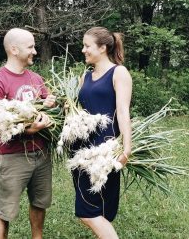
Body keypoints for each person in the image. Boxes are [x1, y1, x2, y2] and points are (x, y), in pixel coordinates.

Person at [0, 28, 56, 239]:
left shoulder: (36, 78)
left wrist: (50, 104)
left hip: (41, 154)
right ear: (14, 49)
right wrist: (29, 129)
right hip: (13, 156)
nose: (34, 51)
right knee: (4, 212)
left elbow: (49, 106)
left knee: (39, 202)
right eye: (31, 47)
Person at [71, 26, 132, 239]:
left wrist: (126, 148)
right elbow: (77, 109)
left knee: (91, 211)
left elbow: (123, 112)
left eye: (87, 46)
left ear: (103, 48)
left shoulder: (119, 73)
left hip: (105, 149)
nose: (83, 50)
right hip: (81, 150)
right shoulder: (85, 77)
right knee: (94, 207)